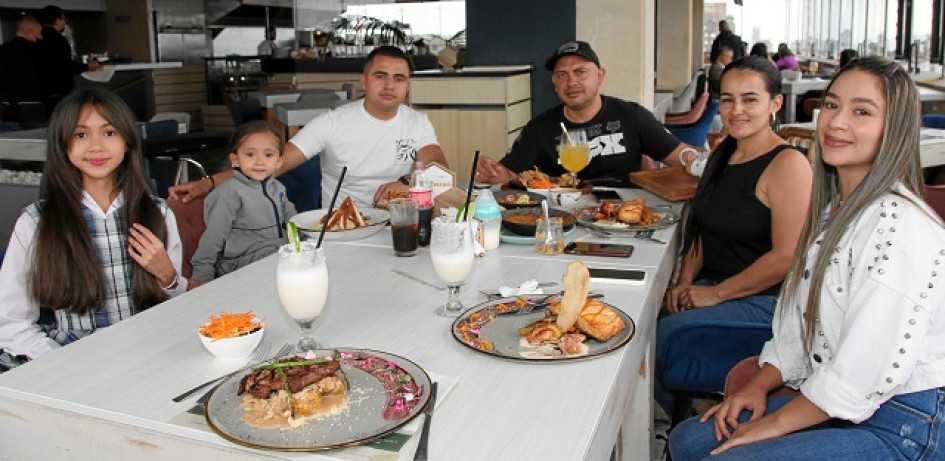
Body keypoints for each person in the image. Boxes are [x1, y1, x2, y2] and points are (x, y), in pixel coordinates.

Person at [668, 56, 945, 461]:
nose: (836, 122)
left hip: (906, 422)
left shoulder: (899, 228)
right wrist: (759, 383)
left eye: (862, 111)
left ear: (895, 127)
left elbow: (861, 374)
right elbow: (801, 323)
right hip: (845, 401)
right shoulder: (837, 210)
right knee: (688, 440)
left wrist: (773, 425)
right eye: (831, 105)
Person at [656, 56, 813, 411]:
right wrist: (683, 280)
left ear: (775, 103)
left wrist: (716, 295)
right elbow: (701, 227)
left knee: (661, 337)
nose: (736, 109)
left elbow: (788, 257)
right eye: (727, 99)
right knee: (649, 313)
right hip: (717, 285)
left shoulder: (788, 164)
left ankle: (693, 413)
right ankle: (689, 411)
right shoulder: (720, 154)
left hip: (767, 301)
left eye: (750, 99)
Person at [0, 88, 186, 367]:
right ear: (63, 144)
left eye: (109, 133)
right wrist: (63, 362)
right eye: (81, 134)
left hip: (152, 357)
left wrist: (168, 276)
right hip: (73, 363)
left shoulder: (157, 212)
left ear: (127, 141)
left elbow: (174, 306)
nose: (96, 146)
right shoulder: (37, 222)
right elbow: (12, 321)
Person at [169, 46, 447, 209]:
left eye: (399, 78)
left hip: (399, 225)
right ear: (364, 80)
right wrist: (207, 183)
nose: (389, 85)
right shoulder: (333, 122)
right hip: (343, 231)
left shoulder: (417, 122)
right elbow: (271, 165)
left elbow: (439, 171)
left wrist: (405, 183)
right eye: (380, 76)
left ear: (408, 85)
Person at [474, 40, 700, 186]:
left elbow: (680, 156)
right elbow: (508, 173)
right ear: (554, 83)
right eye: (561, 75)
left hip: (624, 212)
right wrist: (491, 171)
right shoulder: (540, 128)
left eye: (580, 72)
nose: (571, 82)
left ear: (600, 76)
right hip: (563, 217)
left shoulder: (631, 116)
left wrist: (709, 158)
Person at [189, 122, 297, 290]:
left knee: (306, 254)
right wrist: (202, 271)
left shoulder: (278, 188)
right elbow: (214, 234)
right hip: (237, 262)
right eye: (250, 154)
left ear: (279, 161)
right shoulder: (230, 192)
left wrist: (306, 241)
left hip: (272, 252)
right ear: (235, 159)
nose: (260, 162)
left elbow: (293, 220)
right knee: (287, 256)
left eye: (268, 155)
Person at [37, 5, 101, 112]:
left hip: (41, 91)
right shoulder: (59, 40)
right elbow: (66, 65)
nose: (64, 23)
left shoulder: (36, 39)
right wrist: (87, 66)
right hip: (59, 90)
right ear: (57, 20)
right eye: (63, 19)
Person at [0, 15, 45, 124]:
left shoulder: (2, 50)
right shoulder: (38, 52)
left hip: (6, 105)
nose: (40, 37)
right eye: (38, 33)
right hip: (32, 105)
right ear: (29, 32)